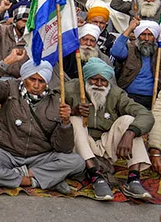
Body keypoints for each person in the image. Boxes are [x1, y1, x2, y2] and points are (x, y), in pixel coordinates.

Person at [0, 50, 85, 194]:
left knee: (77, 162)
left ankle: (23, 176)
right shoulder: (10, 89)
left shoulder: (56, 102)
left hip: (39, 156)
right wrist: (7, 61)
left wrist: (65, 124)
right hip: (6, 152)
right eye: (32, 79)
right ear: (24, 78)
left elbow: (63, 148)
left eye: (41, 81)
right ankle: (36, 180)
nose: (36, 85)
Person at [66, 58, 154, 200]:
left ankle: (133, 179)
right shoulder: (70, 89)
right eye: (95, 80)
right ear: (87, 78)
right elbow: (49, 109)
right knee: (74, 120)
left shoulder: (116, 94)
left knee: (129, 121)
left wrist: (130, 133)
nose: (99, 85)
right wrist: (71, 111)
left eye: (104, 81)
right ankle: (95, 176)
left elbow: (145, 115)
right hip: (80, 145)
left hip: (105, 145)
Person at [111, 18, 161, 108]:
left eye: (150, 35)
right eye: (143, 34)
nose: (146, 38)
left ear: (155, 37)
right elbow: (116, 52)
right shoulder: (130, 50)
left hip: (157, 97)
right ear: (137, 36)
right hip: (129, 97)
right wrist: (130, 28)